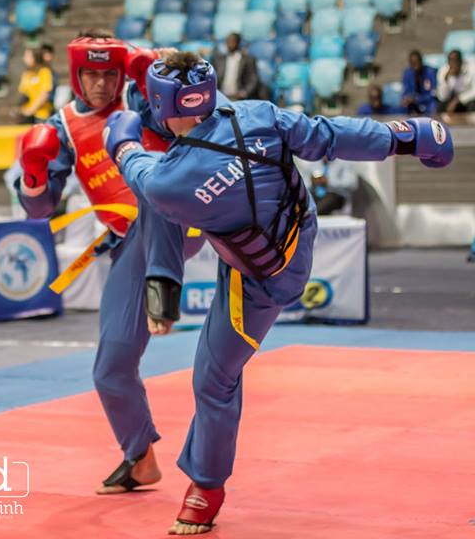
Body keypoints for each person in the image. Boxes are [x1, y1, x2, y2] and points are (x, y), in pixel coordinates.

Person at [103, 50, 455, 535]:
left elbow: (140, 172)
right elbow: (329, 134)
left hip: (261, 278)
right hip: (295, 226)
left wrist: (122, 139)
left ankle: (206, 487)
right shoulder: (256, 114)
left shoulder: (169, 181)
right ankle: (162, 287)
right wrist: (407, 137)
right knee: (177, 200)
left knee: (214, 378)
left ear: (163, 105)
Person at [16, 30, 203, 496]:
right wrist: (33, 174)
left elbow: (193, 115)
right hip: (129, 242)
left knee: (157, 206)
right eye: (91, 75)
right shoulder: (61, 128)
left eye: (109, 74)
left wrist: (154, 71)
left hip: (180, 214)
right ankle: (140, 458)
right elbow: (39, 211)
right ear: (75, 75)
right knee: (111, 367)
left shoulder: (141, 101)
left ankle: (164, 293)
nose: (101, 84)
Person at [212, 33, 259, 101]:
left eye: (232, 41)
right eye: (228, 41)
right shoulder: (218, 59)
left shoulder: (248, 60)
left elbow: (253, 80)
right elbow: (213, 78)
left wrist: (244, 93)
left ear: (238, 43)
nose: (230, 44)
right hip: (221, 96)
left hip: (239, 97)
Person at [16, 47, 54, 123]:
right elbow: (23, 93)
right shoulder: (26, 74)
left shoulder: (44, 72)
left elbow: (44, 94)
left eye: (28, 56)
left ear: (35, 57)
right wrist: (21, 110)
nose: (25, 59)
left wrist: (31, 110)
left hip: (41, 115)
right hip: (26, 116)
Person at [436, 49, 475, 120]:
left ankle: (471, 124)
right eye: (450, 61)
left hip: (467, 99)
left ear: (461, 61)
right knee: (441, 105)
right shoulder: (443, 71)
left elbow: (474, 92)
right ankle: (445, 123)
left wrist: (459, 99)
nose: (453, 64)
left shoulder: (472, 68)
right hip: (452, 99)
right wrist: (446, 80)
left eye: (456, 61)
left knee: (473, 104)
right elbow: (443, 97)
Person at [401, 50, 438, 116]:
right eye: (413, 63)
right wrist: (406, 98)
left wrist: (417, 99)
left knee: (434, 105)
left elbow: (433, 93)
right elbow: (405, 91)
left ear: (421, 61)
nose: (415, 65)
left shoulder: (430, 72)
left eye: (417, 62)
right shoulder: (407, 73)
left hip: (428, 102)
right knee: (403, 107)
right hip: (413, 103)